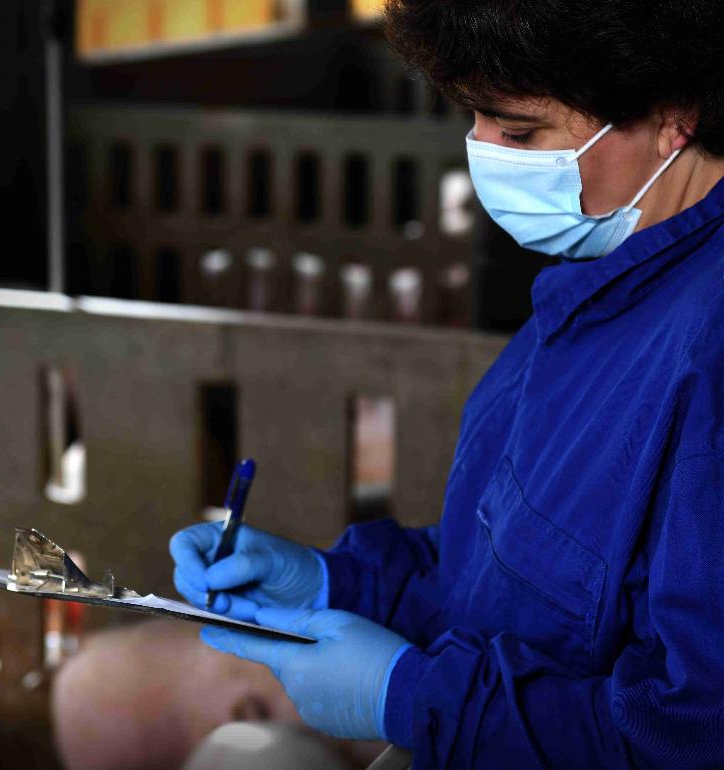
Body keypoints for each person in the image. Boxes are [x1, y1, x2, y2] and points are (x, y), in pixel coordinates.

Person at [170, 1, 724, 766]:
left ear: (674, 117)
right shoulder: (602, 292)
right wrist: (333, 583)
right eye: (473, 119)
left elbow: (692, 736)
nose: (485, 152)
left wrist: (411, 696)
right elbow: (507, 575)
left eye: (520, 132)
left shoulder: (705, 349)